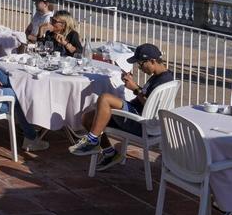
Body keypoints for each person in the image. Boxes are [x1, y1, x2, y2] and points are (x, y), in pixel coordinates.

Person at [68, 43, 175, 171]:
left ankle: (92, 140)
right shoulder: (163, 76)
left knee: (105, 99)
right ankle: (110, 153)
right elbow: (150, 98)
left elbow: (151, 106)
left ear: (152, 61)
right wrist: (135, 88)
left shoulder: (162, 81)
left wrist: (135, 88)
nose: (140, 68)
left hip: (141, 123)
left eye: (141, 64)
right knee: (88, 118)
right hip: (141, 116)